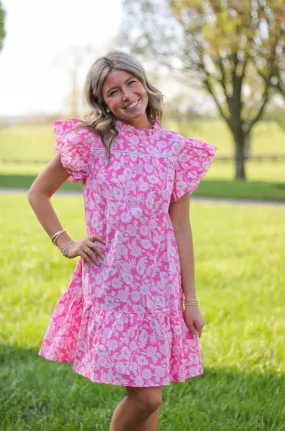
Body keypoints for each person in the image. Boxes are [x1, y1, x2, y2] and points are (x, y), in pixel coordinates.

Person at [28, 50, 217, 431]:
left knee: (150, 393)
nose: (127, 95)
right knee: (146, 397)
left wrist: (190, 299)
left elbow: (182, 226)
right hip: (114, 283)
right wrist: (67, 243)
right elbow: (38, 193)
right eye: (113, 91)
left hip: (160, 283)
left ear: (144, 83)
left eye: (131, 82)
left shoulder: (174, 149)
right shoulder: (91, 143)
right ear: (102, 101)